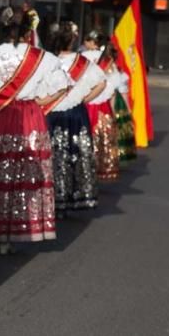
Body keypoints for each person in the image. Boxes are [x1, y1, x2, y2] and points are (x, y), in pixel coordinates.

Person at [0, 20, 68, 254]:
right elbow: (62, 86)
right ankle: (13, 231)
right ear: (29, 33)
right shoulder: (43, 58)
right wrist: (38, 103)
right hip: (28, 116)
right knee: (22, 171)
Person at [44, 22, 107, 215]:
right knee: (75, 154)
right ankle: (74, 196)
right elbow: (102, 83)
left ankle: (54, 198)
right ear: (72, 40)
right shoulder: (83, 62)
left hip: (52, 112)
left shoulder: (48, 61)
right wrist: (83, 98)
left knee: (54, 155)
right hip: (76, 113)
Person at [81, 31, 122, 182]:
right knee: (102, 139)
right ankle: (99, 169)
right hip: (102, 106)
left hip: (85, 103)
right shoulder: (107, 59)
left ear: (93, 42)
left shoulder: (84, 57)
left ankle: (84, 169)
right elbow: (113, 88)